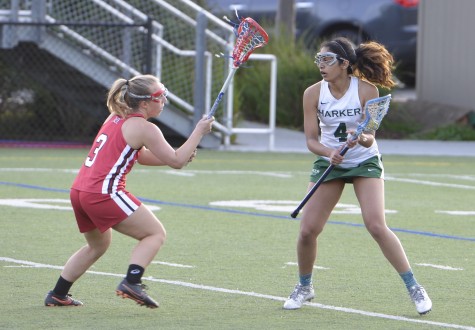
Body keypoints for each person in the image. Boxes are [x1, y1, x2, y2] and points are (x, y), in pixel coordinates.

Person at [283, 37, 432, 315]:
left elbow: (370, 136)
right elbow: (311, 141)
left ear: (345, 64)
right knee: (307, 230)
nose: (321, 66)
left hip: (364, 161)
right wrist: (330, 153)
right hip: (332, 162)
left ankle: (414, 287)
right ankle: (304, 286)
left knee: (376, 224)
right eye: (319, 60)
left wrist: (359, 137)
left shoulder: (366, 90)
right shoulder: (312, 93)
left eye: (327, 60)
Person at [44, 74, 214, 308]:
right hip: (103, 193)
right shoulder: (145, 128)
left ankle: (58, 294)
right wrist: (199, 132)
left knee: (97, 246)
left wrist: (179, 154)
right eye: (158, 96)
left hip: (80, 191)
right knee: (154, 234)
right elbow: (177, 161)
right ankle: (131, 282)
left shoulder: (116, 116)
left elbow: (141, 156)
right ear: (144, 103)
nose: (163, 100)